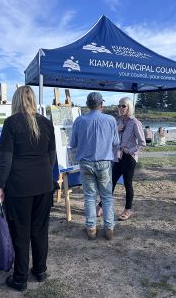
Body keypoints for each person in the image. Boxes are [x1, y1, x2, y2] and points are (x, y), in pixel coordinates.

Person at [0, 86, 56, 291]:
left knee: (20, 232)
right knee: (40, 230)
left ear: (16, 101)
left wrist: (0, 186)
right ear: (33, 101)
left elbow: (5, 159)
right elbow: (52, 158)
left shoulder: (11, 123)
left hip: (19, 186)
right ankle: (40, 270)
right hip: (44, 184)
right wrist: (45, 176)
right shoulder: (47, 123)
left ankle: (20, 278)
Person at [70, 92, 119, 240]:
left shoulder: (79, 120)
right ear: (101, 105)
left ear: (87, 104)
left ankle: (91, 228)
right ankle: (109, 228)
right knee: (106, 196)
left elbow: (73, 144)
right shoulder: (111, 120)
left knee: (90, 197)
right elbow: (116, 142)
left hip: (86, 163)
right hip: (104, 162)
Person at [97, 97, 146, 221]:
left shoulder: (135, 122)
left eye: (123, 106)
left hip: (129, 158)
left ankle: (127, 209)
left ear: (129, 107)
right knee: (111, 182)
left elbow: (142, 143)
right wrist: (115, 130)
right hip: (117, 157)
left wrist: (129, 151)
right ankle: (101, 205)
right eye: (119, 106)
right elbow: (110, 137)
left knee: (127, 183)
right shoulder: (117, 121)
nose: (120, 108)